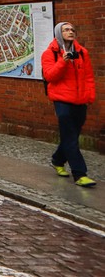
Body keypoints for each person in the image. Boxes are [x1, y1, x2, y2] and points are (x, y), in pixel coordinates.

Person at [41, 21, 96, 187]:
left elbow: (89, 77)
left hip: (80, 100)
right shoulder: (50, 53)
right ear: (59, 33)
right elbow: (50, 76)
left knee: (71, 135)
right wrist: (63, 62)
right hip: (61, 100)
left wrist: (90, 96)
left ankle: (57, 160)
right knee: (71, 137)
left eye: (72, 29)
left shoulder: (82, 52)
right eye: (66, 30)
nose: (70, 32)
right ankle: (80, 174)